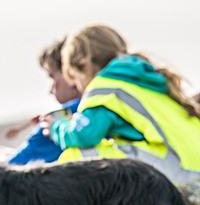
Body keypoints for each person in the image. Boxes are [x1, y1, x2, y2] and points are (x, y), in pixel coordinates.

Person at [42, 24, 200, 183]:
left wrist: (57, 127)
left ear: (84, 64)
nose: (80, 89)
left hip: (180, 170)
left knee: (76, 156)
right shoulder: (140, 79)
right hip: (190, 164)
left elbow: (84, 134)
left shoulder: (105, 87)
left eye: (76, 80)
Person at [4, 38, 81, 165]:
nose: (51, 90)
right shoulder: (104, 108)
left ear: (71, 74)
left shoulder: (60, 119)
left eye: (52, 77)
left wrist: (43, 130)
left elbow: (12, 165)